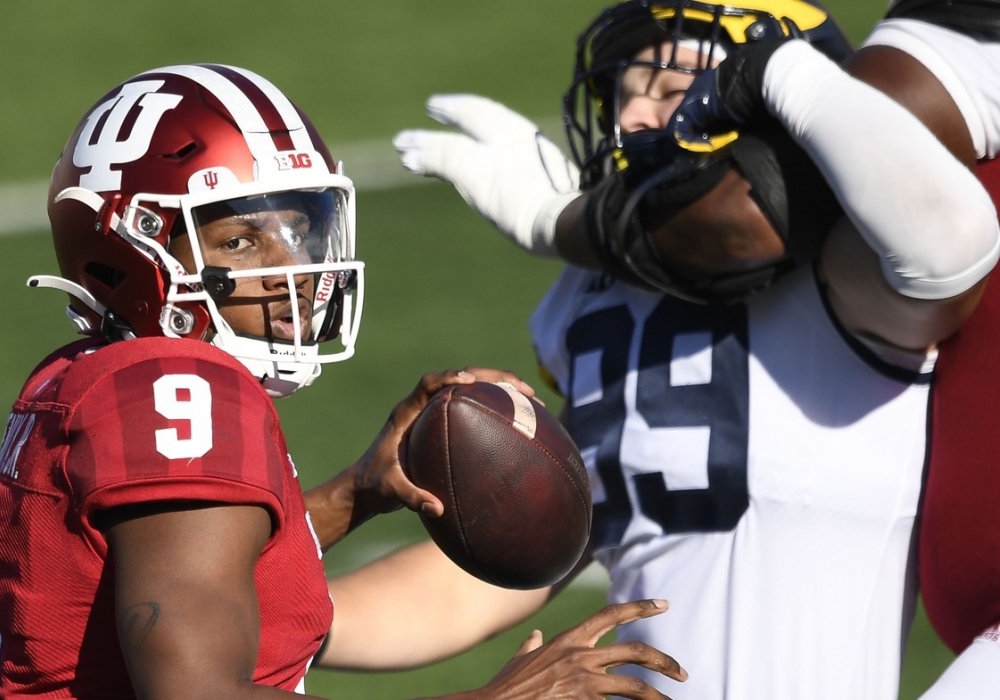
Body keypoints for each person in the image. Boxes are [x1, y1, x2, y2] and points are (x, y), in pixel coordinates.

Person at [0, 63, 688, 699]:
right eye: (239, 239)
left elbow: (191, 565)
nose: (297, 269)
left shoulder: (89, 374)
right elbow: (198, 693)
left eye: (301, 227)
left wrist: (358, 493)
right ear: (129, 247)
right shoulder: (178, 386)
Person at [383, 1, 1000, 697]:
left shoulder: (851, 266)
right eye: (625, 94)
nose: (636, 119)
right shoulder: (584, 303)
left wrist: (790, 77)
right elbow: (520, 557)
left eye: (674, 91)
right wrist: (285, 606)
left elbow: (949, 239)